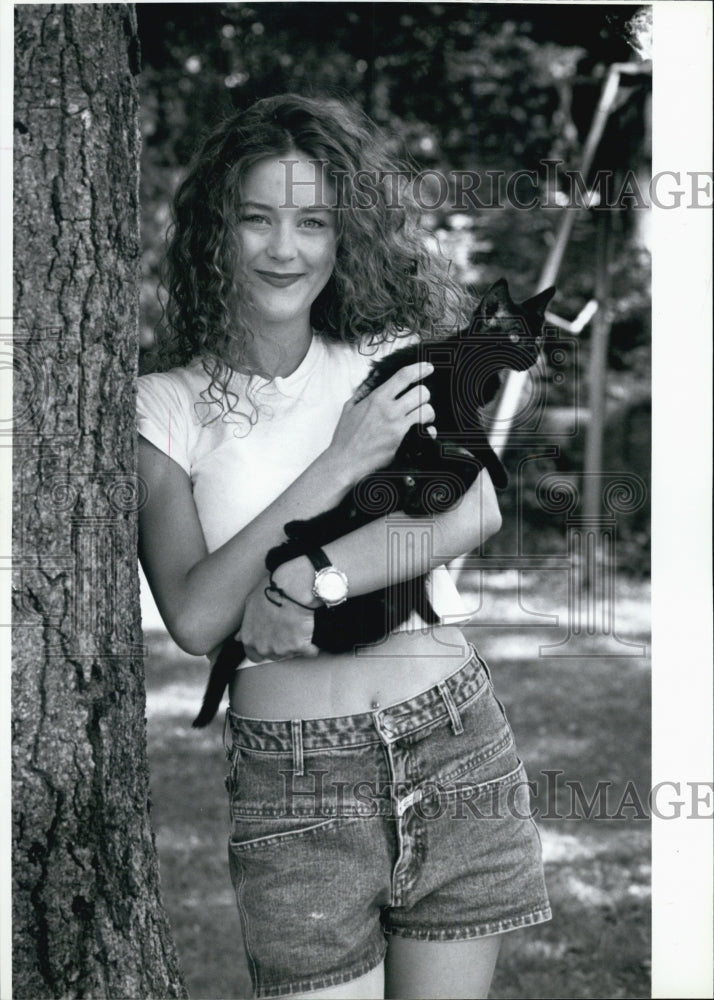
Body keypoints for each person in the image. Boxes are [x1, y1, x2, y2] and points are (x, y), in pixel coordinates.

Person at [137, 94, 550, 1000]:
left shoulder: (392, 355)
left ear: (342, 236)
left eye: (313, 222)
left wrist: (304, 579)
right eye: (257, 218)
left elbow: (471, 511)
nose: (285, 249)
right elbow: (197, 618)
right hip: (297, 778)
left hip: (454, 738)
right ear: (215, 229)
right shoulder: (163, 406)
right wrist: (338, 464)